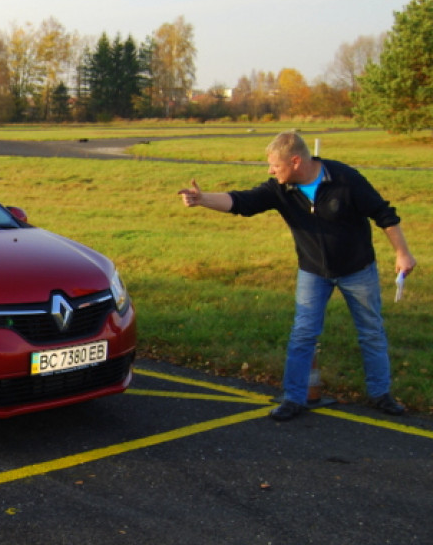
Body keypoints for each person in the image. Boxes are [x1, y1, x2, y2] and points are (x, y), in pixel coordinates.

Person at [178, 131, 416, 422]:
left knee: (371, 332)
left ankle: (381, 394)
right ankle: (293, 398)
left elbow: (385, 215)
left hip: (357, 269)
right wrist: (202, 199)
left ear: (295, 161)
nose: (270, 171)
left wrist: (402, 254)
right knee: (303, 334)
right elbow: (242, 202)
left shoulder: (344, 179)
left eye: (274, 166)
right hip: (313, 271)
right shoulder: (282, 188)